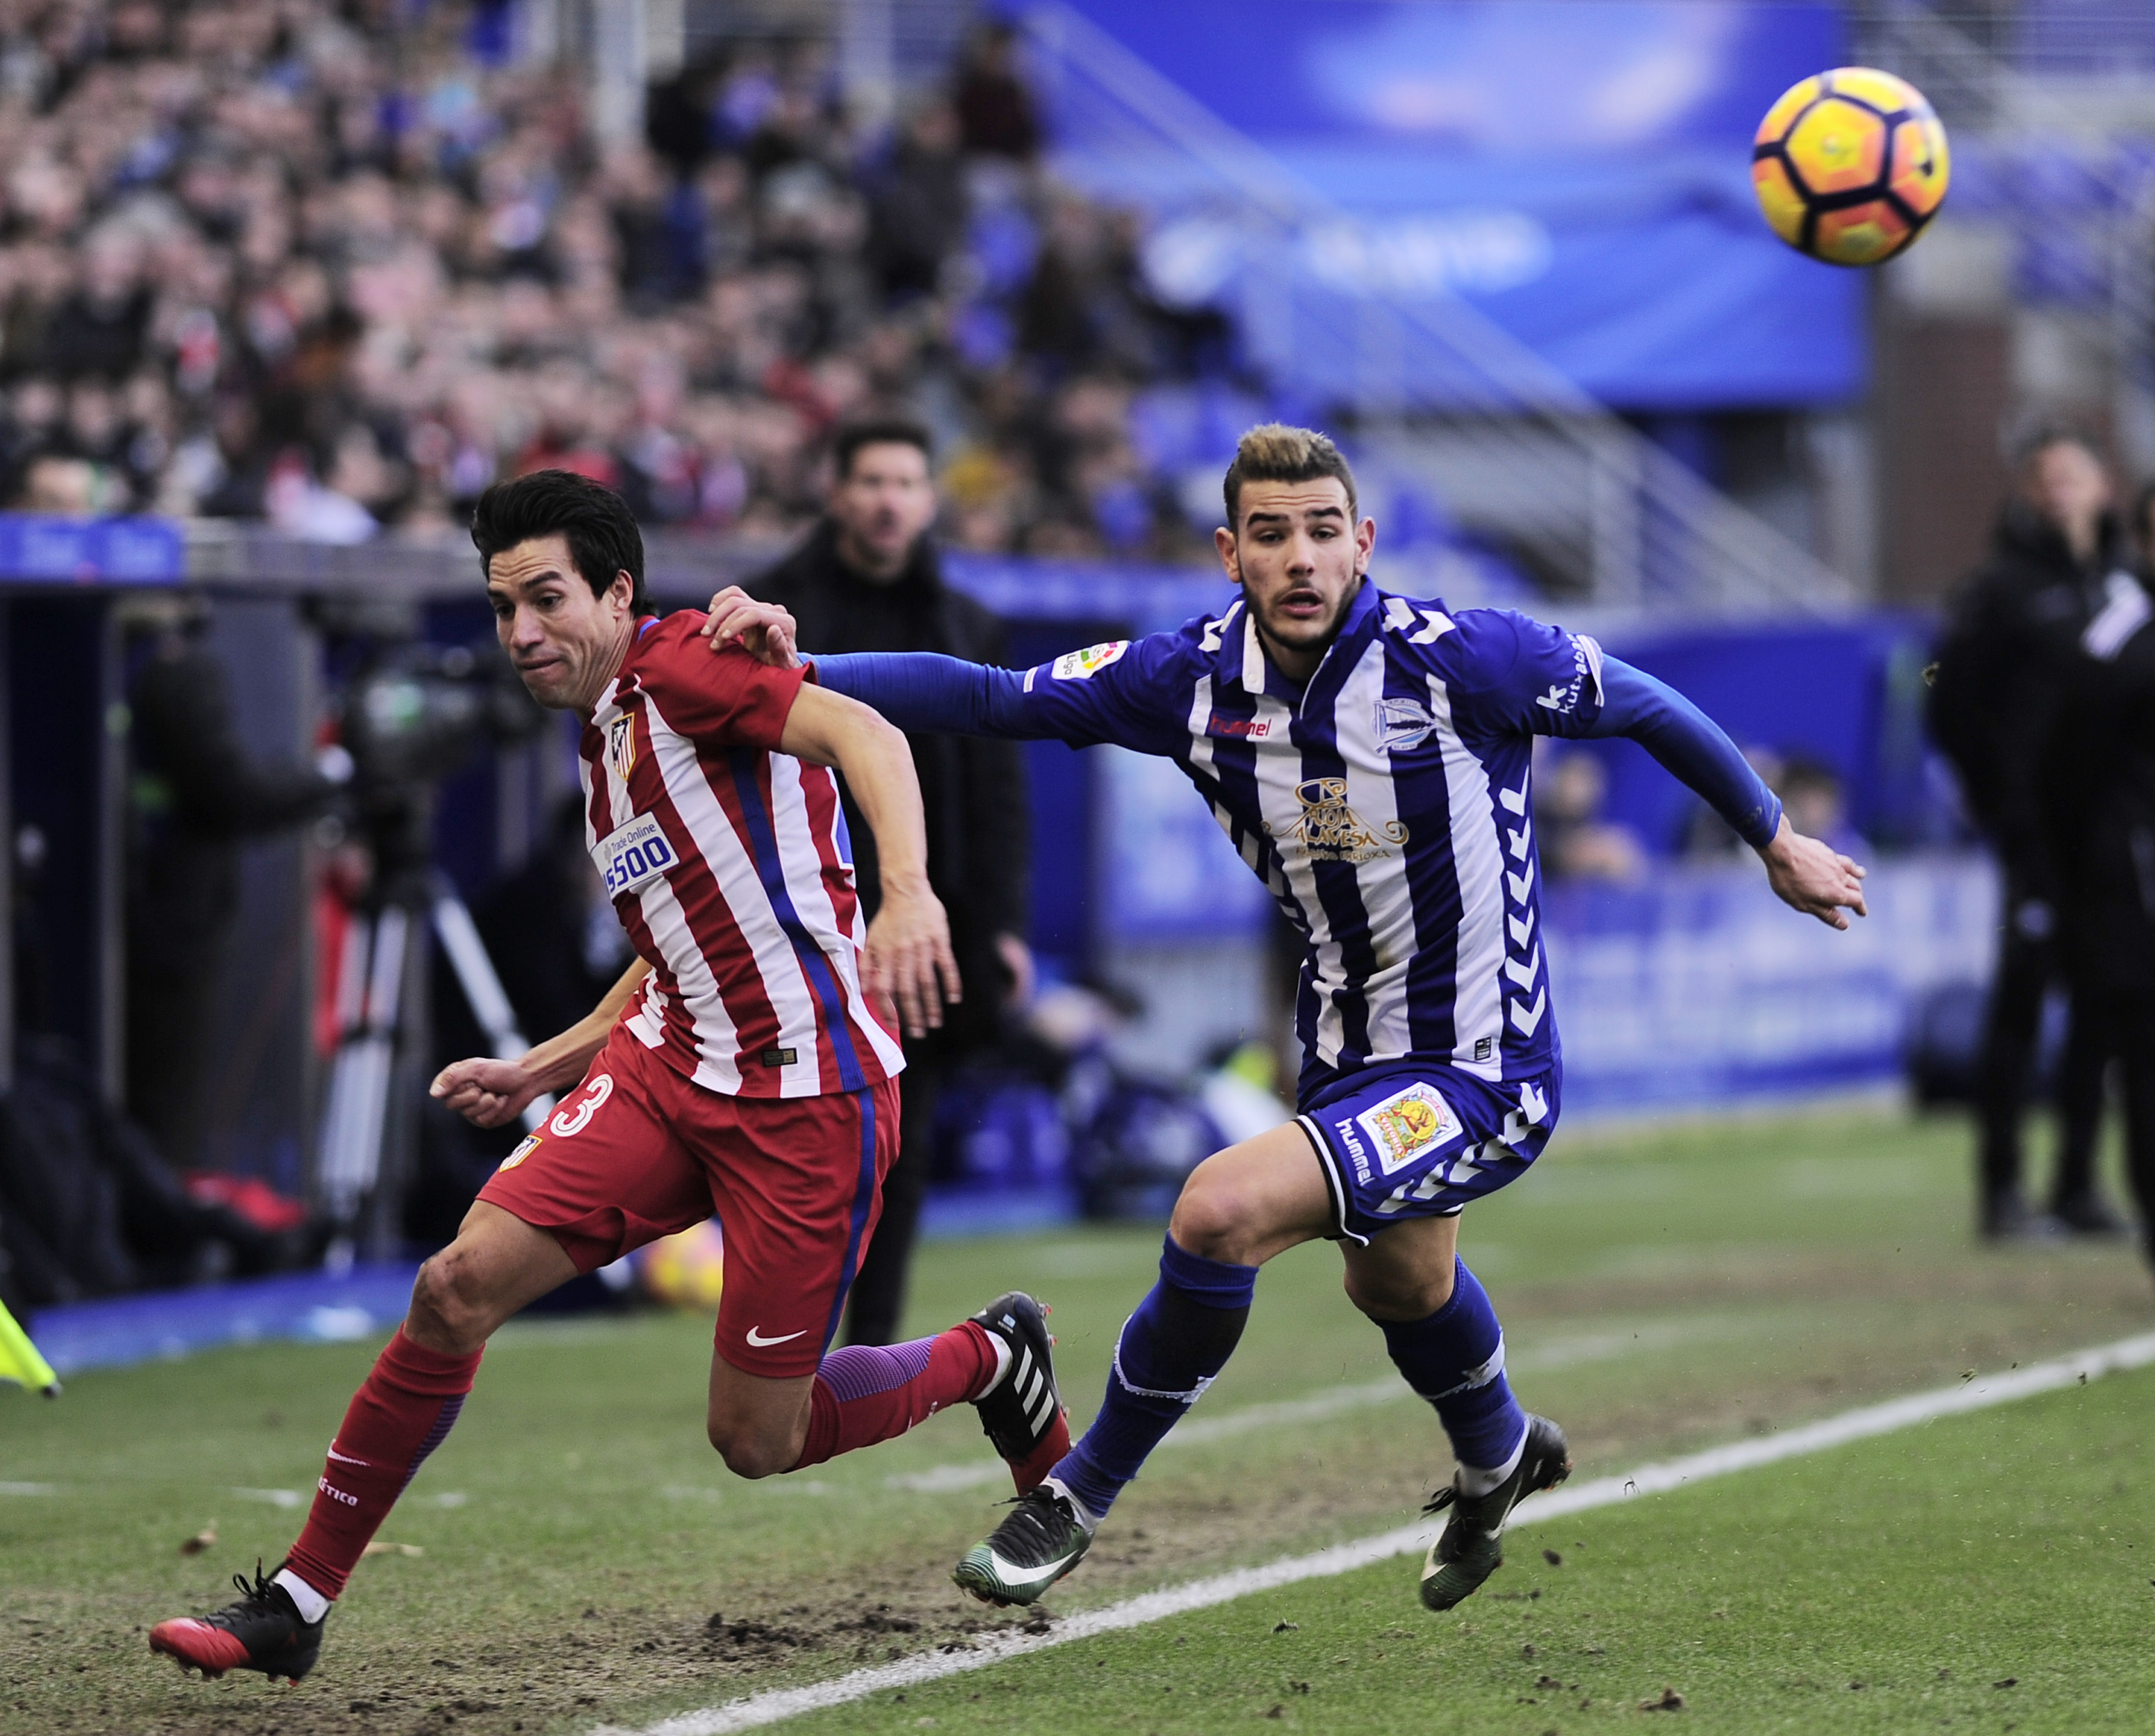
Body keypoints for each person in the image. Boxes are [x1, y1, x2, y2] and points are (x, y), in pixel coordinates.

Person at [703, 424, 1866, 1612]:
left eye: (1323, 532)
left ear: (1362, 542)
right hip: (1347, 1061)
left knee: (1218, 1211)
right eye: (1271, 535)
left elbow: (1645, 703)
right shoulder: (1192, 680)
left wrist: (1774, 836)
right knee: (1399, 1287)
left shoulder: (1463, 657)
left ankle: (1075, 1493)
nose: (1300, 558)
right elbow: (994, 697)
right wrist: (791, 679)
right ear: (1230, 552)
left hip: (1482, 1067)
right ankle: (1501, 1449)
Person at [147, 471, 1069, 1686]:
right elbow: (676, 946)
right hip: (672, 1068)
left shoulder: (680, 666)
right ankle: (297, 1600)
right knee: (453, 1286)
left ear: (618, 593)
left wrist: (909, 894)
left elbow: (869, 731)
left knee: (757, 1439)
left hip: (808, 1098)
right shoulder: (606, 735)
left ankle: (991, 1357)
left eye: (545, 598)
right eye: (499, 607)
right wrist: (543, 1065)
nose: (521, 631)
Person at [747, 419, 1032, 1348]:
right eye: (871, 479)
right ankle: (780, 1341)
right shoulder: (773, 617)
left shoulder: (966, 625)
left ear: (928, 497)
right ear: (836, 493)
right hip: (792, 921)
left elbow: (997, 797)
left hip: (916, 929)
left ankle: (864, 1348)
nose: (887, 499)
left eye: (906, 481)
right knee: (791, 1144)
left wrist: (1002, 928)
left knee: (894, 1147)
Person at [1928, 428, 2130, 1240]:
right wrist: (1993, 798)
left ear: (2103, 486)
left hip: (2112, 835)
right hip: (2033, 835)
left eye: (2072, 476)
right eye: (2044, 479)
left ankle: (2077, 1184)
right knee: (2018, 1007)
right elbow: (1945, 697)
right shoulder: (2000, 589)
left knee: (2101, 1009)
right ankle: (2000, 1191)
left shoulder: (2125, 584)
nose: (2058, 492)